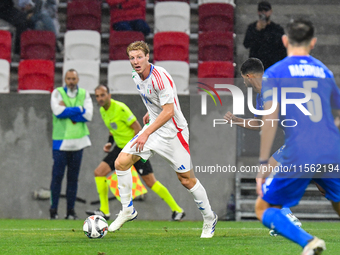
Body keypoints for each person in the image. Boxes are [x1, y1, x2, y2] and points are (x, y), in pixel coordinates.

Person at [108, 41, 217, 238]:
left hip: (174, 132)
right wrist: (150, 113)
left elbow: (169, 110)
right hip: (154, 128)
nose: (136, 61)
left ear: (148, 56)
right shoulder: (135, 75)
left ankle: (209, 218)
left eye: (139, 57)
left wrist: (146, 132)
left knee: (186, 180)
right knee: (121, 162)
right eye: (132, 58)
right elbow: (156, 103)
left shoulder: (160, 77)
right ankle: (127, 209)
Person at [256, 18, 340, 254]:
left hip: (300, 150)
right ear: (313, 42)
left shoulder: (274, 73)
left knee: (264, 208)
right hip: (331, 147)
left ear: (285, 40)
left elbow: (270, 120)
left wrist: (264, 163)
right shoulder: (324, 71)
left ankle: (309, 242)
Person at [223, 58, 302, 236]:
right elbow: (260, 123)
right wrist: (237, 120)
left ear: (249, 76)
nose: (243, 81)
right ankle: (285, 218)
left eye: (243, 78)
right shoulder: (262, 94)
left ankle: (287, 218)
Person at [86, 84, 185, 221]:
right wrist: (110, 141)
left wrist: (138, 151)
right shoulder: (103, 110)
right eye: (97, 96)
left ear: (109, 95)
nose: (100, 98)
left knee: (150, 182)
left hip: (134, 148)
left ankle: (177, 210)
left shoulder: (120, 109)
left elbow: (137, 128)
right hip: (119, 148)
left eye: (102, 95)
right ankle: (104, 211)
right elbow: (112, 128)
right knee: (99, 172)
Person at [49, 69, 93, 220]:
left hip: (79, 142)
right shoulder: (57, 92)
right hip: (61, 143)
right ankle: (53, 211)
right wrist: (79, 109)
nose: (71, 81)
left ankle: (70, 212)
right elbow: (57, 111)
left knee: (73, 179)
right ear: (65, 80)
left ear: (78, 79)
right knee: (57, 177)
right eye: (68, 78)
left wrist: (67, 110)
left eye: (74, 78)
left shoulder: (84, 94)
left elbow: (88, 115)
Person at [243, 1, 286, 70]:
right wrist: (256, 30)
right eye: (261, 11)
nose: (263, 13)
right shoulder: (252, 27)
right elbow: (246, 44)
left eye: (266, 10)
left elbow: (282, 48)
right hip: (257, 66)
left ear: (270, 11)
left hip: (272, 65)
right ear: (258, 12)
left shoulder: (277, 29)